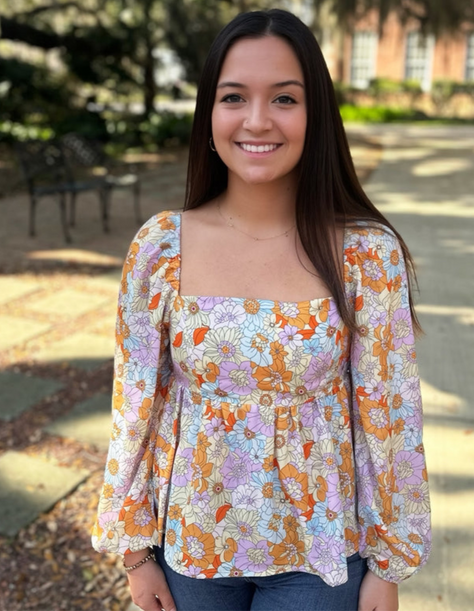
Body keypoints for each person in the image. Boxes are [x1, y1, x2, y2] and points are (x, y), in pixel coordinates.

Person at [92, 9, 431, 611]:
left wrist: (389, 563)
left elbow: (390, 415)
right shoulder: (160, 248)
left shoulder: (366, 256)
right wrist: (136, 550)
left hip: (320, 554)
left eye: (283, 98)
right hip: (191, 547)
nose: (256, 120)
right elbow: (137, 404)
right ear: (209, 112)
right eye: (233, 97)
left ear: (315, 114)